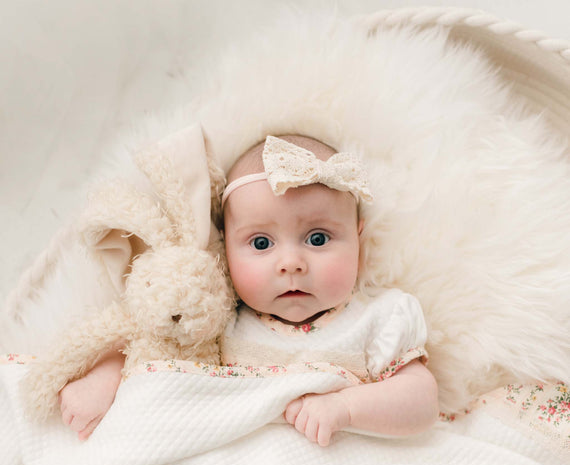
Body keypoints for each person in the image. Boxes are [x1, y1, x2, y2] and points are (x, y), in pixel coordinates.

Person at [58, 134, 439, 445]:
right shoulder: (219, 324)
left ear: (359, 239)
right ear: (225, 251)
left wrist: (346, 409)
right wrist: (104, 380)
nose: (291, 263)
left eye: (318, 238)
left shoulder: (377, 318)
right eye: (261, 244)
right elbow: (151, 353)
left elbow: (422, 402)